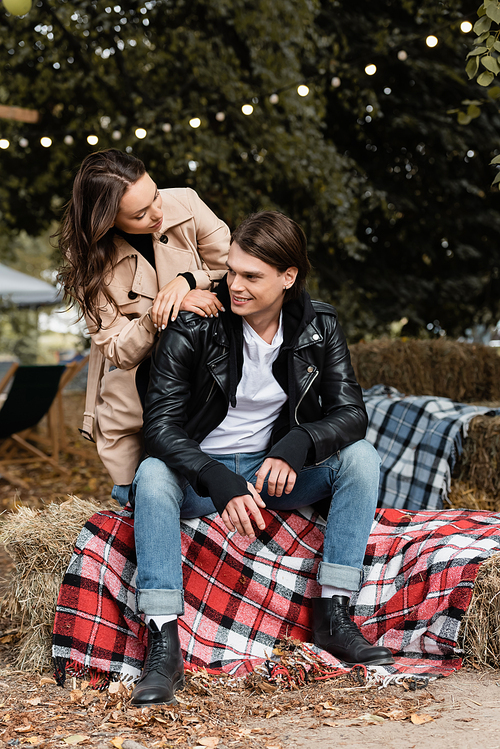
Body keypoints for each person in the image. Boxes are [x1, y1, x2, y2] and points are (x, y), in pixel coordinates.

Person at [129, 210, 394, 706]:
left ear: (287, 277)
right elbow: (159, 427)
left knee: (359, 458)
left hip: (271, 473)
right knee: (150, 475)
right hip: (198, 473)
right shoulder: (195, 324)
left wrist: (295, 447)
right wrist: (213, 477)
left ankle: (334, 614)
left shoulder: (319, 326)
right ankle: (164, 643)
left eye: (252, 276)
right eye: (232, 271)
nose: (236, 286)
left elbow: (351, 414)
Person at [57, 149, 230, 498]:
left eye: (154, 196)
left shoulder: (186, 202)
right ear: (106, 221)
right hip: (138, 407)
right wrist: (160, 313)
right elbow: (117, 348)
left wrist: (188, 280)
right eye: (139, 214)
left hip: (211, 386)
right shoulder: (86, 261)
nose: (157, 213)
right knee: (147, 503)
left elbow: (240, 273)